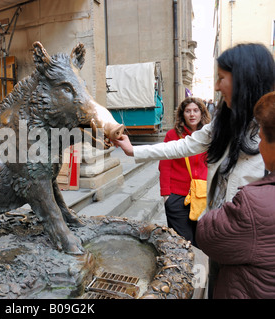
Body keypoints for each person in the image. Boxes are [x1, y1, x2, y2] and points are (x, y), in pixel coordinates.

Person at [113, 42, 275, 298]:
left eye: (222, 78)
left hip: (251, 247)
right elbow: (183, 146)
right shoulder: (223, 122)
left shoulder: (268, 132)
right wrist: (133, 150)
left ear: (246, 79)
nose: (217, 86)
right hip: (221, 235)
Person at [196, 91, 275, 299]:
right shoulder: (222, 129)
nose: (258, 145)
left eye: (263, 138)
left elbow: (207, 234)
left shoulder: (254, 201)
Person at [159, 97, 210, 246]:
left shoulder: (209, 135)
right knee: (181, 242)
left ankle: (200, 269)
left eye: (195, 110)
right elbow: (165, 165)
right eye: (188, 111)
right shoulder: (172, 135)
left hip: (202, 196)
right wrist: (166, 195)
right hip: (178, 195)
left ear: (201, 113)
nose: (192, 114)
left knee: (202, 240)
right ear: (182, 115)